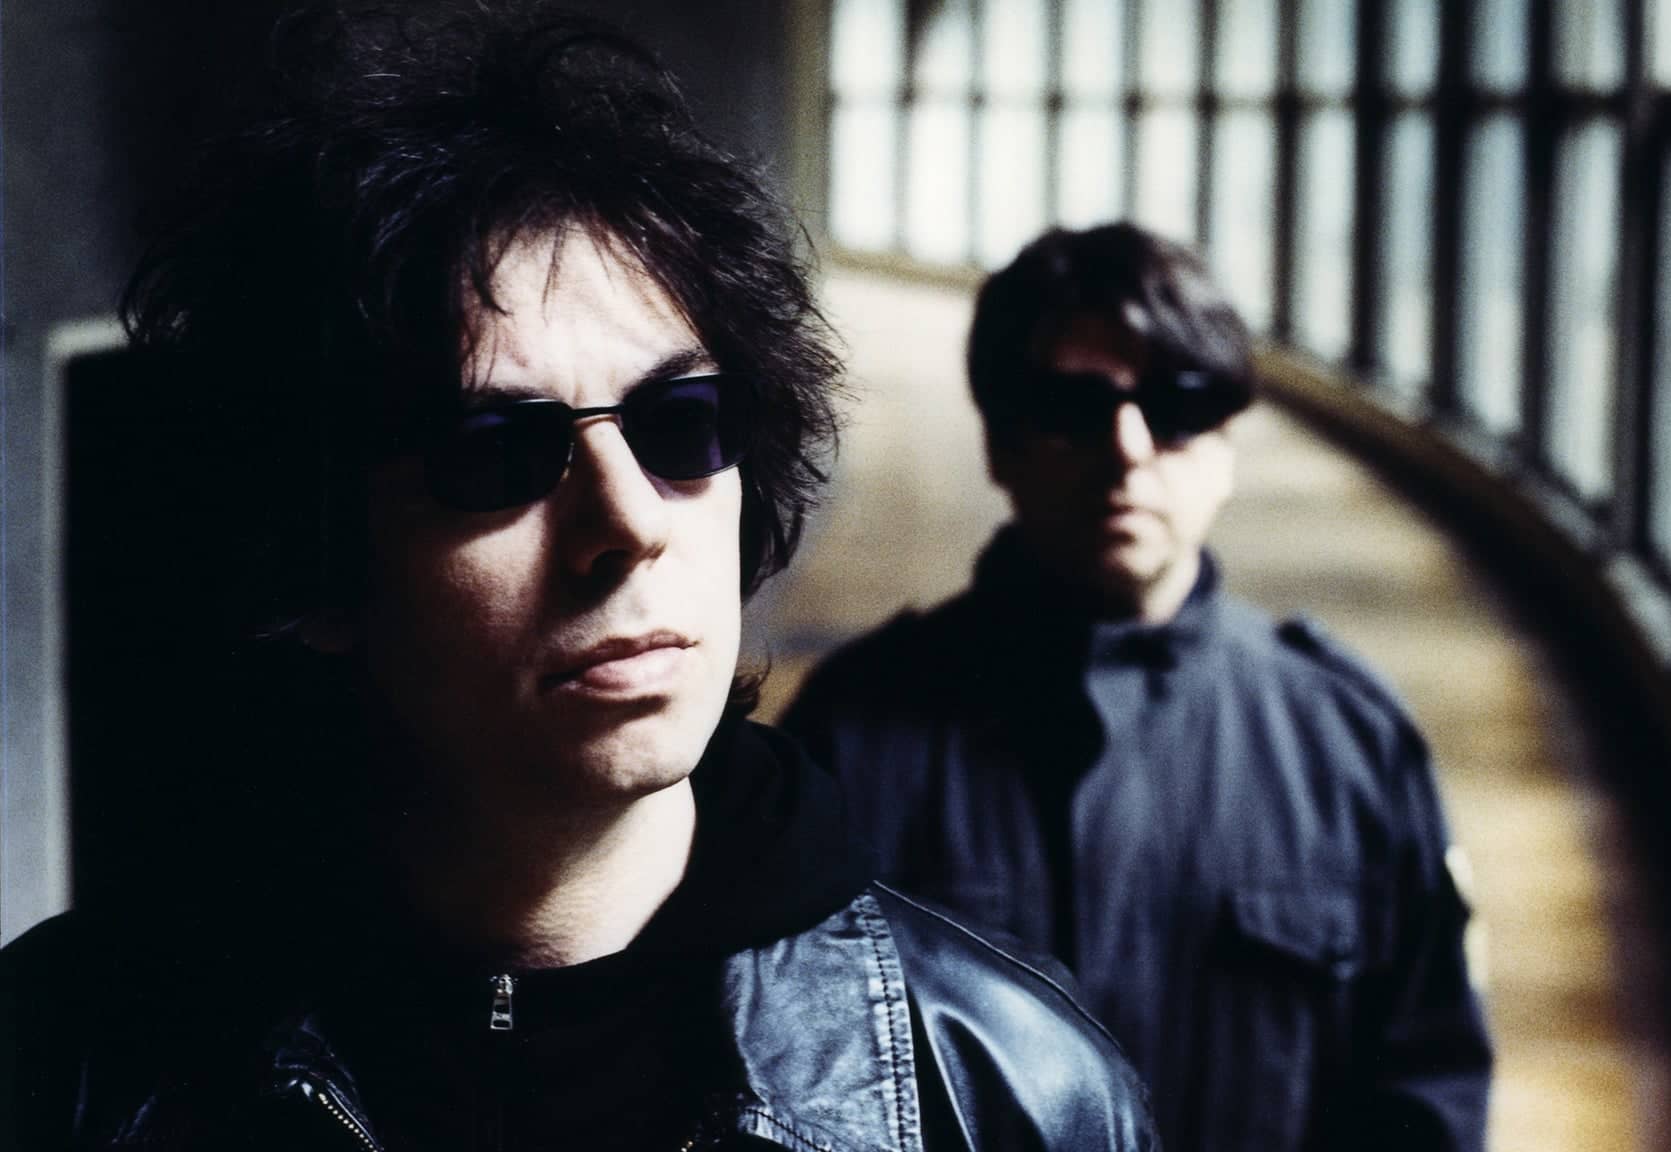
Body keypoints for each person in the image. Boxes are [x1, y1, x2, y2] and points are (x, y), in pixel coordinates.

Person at [0, 8, 1156, 1151]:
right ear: (316, 563)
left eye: (680, 421)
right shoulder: (61, 1062)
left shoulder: (1014, 1087)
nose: (629, 523)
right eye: (495, 453)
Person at [782, 224, 1493, 1152]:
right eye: (1074, 406)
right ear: (1001, 441)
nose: (1127, 448)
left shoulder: (1350, 746)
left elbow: (1426, 1095)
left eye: (1175, 405)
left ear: (1227, 442)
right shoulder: (851, 739)